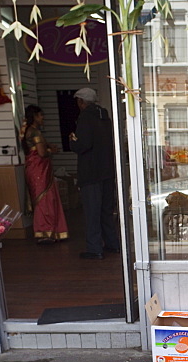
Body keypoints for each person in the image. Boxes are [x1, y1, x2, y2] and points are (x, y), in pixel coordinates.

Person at [71, 88, 120, 259]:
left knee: (92, 211)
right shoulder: (105, 117)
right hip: (108, 171)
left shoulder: (85, 118)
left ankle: (94, 248)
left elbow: (83, 145)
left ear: (81, 102)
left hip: (90, 172)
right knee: (106, 210)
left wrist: (72, 141)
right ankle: (112, 243)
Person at [19, 105, 68, 243]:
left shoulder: (27, 131)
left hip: (32, 169)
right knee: (46, 199)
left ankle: (44, 231)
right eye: (41, 115)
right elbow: (41, 153)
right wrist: (52, 151)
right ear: (34, 116)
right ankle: (47, 232)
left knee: (40, 199)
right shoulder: (35, 133)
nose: (43, 118)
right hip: (40, 170)